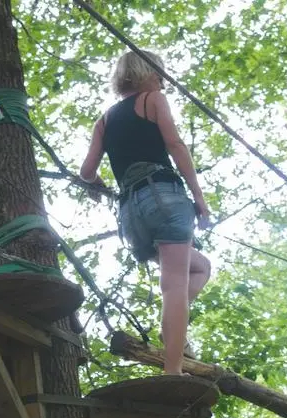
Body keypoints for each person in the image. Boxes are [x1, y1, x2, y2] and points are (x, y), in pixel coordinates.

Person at [79, 50, 212, 375]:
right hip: (163, 196)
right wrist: (199, 198)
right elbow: (175, 145)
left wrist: (97, 184)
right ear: (146, 73)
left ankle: (172, 326)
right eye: (159, 73)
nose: (163, 81)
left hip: (131, 216)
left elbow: (86, 171)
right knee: (174, 286)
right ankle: (173, 371)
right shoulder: (152, 99)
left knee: (200, 268)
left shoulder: (104, 120)